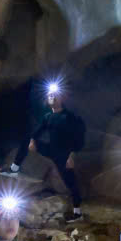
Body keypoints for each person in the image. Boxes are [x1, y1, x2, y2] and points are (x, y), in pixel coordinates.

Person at [21, 83, 88, 220]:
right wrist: (33, 140)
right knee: (26, 141)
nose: (52, 97)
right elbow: (37, 131)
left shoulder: (69, 117)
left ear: (62, 98)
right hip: (51, 149)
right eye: (50, 95)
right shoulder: (48, 117)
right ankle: (14, 168)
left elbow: (78, 138)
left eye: (55, 95)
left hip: (64, 153)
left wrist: (72, 155)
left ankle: (77, 213)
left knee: (71, 182)